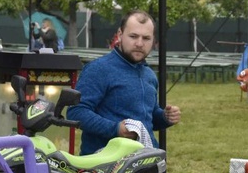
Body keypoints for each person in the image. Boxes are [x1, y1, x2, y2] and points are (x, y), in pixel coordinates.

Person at [68, 9, 181, 155]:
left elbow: (148, 117)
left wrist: (165, 117)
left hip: (140, 164)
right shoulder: (99, 69)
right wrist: (115, 129)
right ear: (120, 35)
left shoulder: (149, 75)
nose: (139, 43)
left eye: (146, 38)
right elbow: (76, 112)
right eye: (133, 36)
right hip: (102, 166)